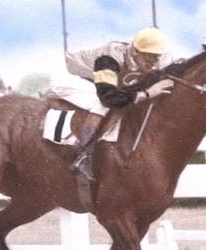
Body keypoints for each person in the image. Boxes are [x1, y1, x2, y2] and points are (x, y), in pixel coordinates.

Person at [50, 27, 175, 180]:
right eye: (150, 58)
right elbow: (108, 97)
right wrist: (147, 93)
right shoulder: (109, 60)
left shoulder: (145, 58)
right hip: (69, 76)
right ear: (136, 52)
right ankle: (82, 155)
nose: (154, 63)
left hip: (97, 79)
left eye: (157, 57)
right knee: (101, 103)